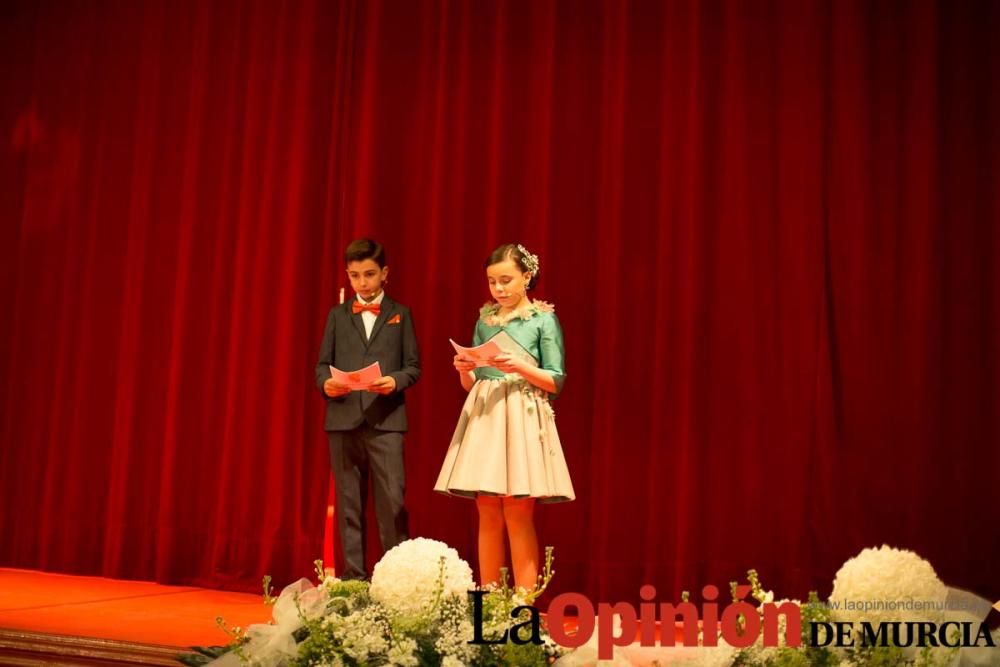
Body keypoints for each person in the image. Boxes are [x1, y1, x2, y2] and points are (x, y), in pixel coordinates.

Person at [434, 242, 575, 590]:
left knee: (518, 510)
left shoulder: (543, 320)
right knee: (487, 511)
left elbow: (555, 380)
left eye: (507, 280)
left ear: (527, 277)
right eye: (493, 282)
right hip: (487, 414)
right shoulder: (486, 321)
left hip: (522, 414)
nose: (499, 289)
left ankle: (522, 606)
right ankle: (489, 599)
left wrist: (521, 367)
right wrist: (463, 369)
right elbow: (475, 383)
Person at [315, 238, 420, 580]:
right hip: (343, 419)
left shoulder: (400, 315)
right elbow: (322, 366)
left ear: (384, 273)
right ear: (348, 275)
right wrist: (325, 384)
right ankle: (354, 580)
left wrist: (395, 381)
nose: (363, 282)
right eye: (355, 275)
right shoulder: (337, 315)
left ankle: (395, 580)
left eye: (370, 274)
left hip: (386, 420)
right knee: (349, 505)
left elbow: (413, 366)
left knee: (392, 502)